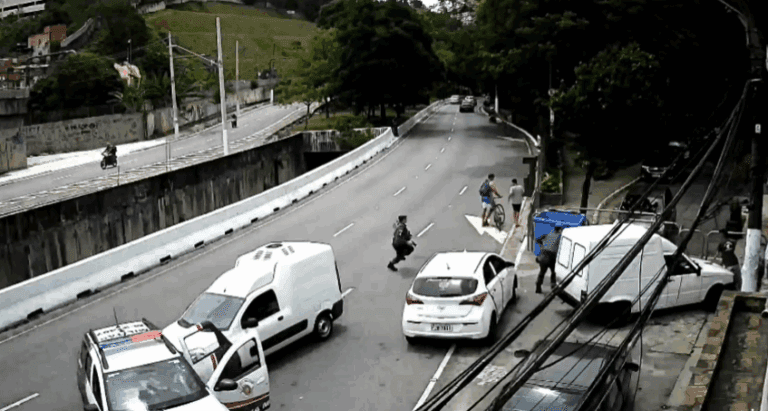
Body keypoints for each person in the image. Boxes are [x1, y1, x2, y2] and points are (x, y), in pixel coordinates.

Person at [535, 226, 563, 294]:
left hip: (543, 256)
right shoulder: (560, 236)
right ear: (559, 230)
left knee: (542, 272)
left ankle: (538, 286)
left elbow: (538, 240)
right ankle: (553, 287)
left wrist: (542, 246)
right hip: (552, 257)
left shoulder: (549, 234)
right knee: (553, 272)